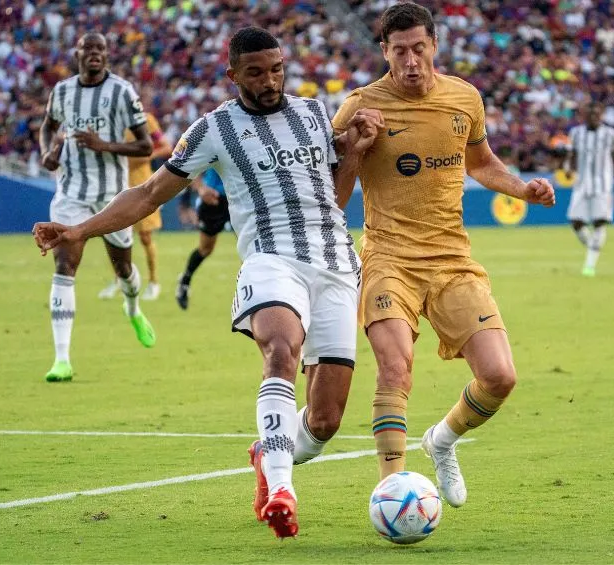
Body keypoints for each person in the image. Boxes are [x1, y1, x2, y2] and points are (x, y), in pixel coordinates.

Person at [33, 27, 379, 538]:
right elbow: (149, 193)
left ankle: (268, 454)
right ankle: (282, 492)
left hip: (336, 266)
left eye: (277, 68)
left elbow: (333, 200)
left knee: (325, 420)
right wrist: (78, 228)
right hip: (270, 260)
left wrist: (354, 152)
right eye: (256, 72)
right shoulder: (213, 129)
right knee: (281, 349)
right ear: (233, 75)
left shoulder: (315, 116)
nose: (270, 80)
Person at [331, 2, 555, 509]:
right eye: (399, 51)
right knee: (395, 368)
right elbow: (334, 197)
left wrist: (522, 189)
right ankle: (391, 490)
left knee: (500, 377)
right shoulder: (360, 107)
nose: (410, 61)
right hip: (388, 258)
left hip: (452, 261)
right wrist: (356, 150)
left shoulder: (464, 98)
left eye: (419, 49)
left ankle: (443, 441)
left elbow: (481, 162)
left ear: (434, 45)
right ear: (384, 51)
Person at [37, 32, 156, 382]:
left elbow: (146, 146)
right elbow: (48, 127)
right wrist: (47, 152)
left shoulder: (122, 92)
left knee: (124, 270)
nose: (94, 54)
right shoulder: (62, 91)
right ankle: (62, 360)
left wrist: (104, 145)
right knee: (64, 265)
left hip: (113, 197)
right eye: (88, 49)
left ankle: (132, 307)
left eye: (100, 49)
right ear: (77, 54)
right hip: (71, 193)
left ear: (107, 55)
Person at [98, 112, 173, 300]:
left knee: (145, 237)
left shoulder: (146, 120)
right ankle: (119, 280)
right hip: (115, 184)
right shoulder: (109, 121)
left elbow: (166, 147)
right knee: (113, 235)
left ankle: (154, 282)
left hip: (141, 183)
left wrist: (147, 155)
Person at [564, 101, 614, 277]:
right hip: (581, 185)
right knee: (575, 221)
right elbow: (571, 156)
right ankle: (594, 247)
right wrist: (568, 168)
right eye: (590, 115)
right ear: (585, 116)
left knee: (599, 222)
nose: (594, 118)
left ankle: (589, 266)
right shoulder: (576, 133)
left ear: (601, 115)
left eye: (597, 115)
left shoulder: (610, 134)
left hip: (602, 186)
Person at [175, 167, 230, 310]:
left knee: (250, 249)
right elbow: (189, 162)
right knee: (206, 249)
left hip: (244, 198)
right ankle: (184, 281)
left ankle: (254, 297)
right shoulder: (217, 143)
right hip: (214, 199)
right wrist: (200, 187)